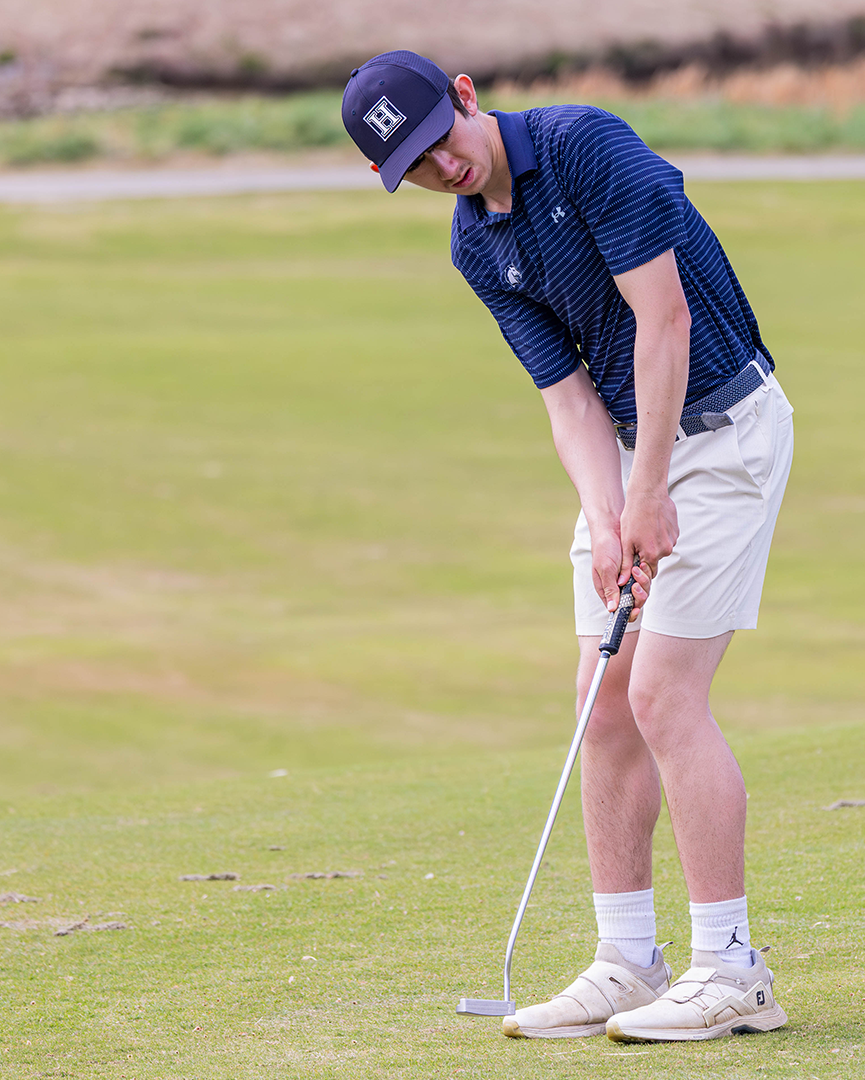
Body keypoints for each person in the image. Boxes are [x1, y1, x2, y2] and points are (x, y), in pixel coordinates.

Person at [341, 51, 795, 1043]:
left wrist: (648, 494)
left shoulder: (582, 146)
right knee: (603, 702)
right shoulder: (475, 248)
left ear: (464, 95)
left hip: (722, 430)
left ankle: (733, 971)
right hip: (634, 450)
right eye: (411, 167)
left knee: (662, 694)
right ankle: (627, 961)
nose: (439, 169)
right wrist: (605, 517)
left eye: (438, 142)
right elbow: (567, 397)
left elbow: (662, 320)